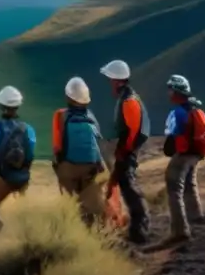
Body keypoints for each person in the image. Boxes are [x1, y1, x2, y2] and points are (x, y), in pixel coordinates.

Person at [101, 59, 152, 244]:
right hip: (126, 150)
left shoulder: (128, 100)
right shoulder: (128, 97)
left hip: (127, 150)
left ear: (116, 80)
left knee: (129, 187)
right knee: (127, 186)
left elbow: (131, 131)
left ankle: (140, 229)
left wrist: (124, 152)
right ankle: (138, 227)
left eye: (110, 79)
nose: (109, 83)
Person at [160, 75, 205, 245]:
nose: (168, 93)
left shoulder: (178, 112)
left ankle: (180, 231)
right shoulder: (196, 108)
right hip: (197, 153)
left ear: (176, 91)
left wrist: (170, 148)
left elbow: (172, 139)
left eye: (170, 89)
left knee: (174, 185)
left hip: (184, 154)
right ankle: (196, 217)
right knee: (190, 183)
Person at [0, 85, 36, 228]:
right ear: (18, 106)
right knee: (22, 210)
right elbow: (31, 155)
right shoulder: (29, 129)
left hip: (3, 175)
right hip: (22, 177)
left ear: (0, 105)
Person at [52, 77, 108, 225]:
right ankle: (95, 228)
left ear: (68, 97)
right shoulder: (91, 117)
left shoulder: (60, 115)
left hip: (68, 168)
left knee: (70, 203)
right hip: (91, 167)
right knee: (91, 201)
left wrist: (58, 164)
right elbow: (98, 143)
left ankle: (71, 227)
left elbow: (57, 146)